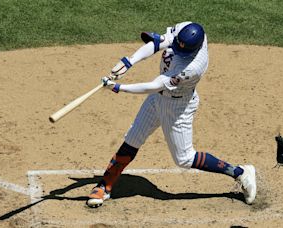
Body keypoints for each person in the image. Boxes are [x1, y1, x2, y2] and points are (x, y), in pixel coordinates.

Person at [86, 22, 256, 208]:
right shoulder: (186, 29)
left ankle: (240, 172)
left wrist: (119, 88)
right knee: (132, 139)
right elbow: (159, 42)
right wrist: (129, 61)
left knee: (184, 159)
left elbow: (155, 85)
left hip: (177, 106)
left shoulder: (193, 67)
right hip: (156, 99)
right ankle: (105, 185)